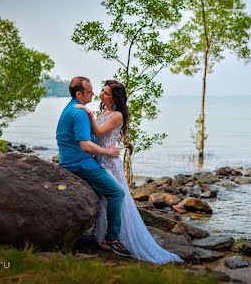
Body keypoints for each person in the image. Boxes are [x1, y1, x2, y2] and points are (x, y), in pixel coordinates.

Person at [75, 79, 183, 264]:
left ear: (115, 97)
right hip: (99, 158)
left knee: (115, 196)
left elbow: (99, 133)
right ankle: (100, 234)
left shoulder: (117, 115)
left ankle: (113, 237)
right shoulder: (104, 112)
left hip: (109, 161)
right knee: (103, 196)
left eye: (106, 93)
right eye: (102, 91)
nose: (102, 94)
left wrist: (88, 113)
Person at [55, 76, 132, 257]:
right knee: (117, 193)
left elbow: (95, 134)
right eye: (90, 91)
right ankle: (111, 238)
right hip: (80, 162)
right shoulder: (80, 112)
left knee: (111, 193)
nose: (96, 94)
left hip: (78, 159)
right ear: (79, 94)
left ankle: (100, 231)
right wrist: (108, 152)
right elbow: (86, 145)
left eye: (104, 92)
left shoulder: (73, 108)